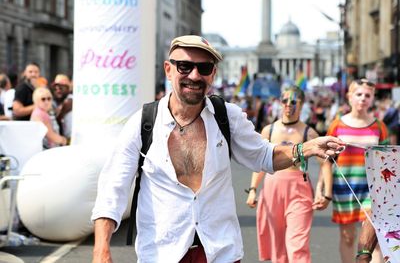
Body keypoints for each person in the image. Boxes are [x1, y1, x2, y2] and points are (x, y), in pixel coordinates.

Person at [91, 35, 345, 263]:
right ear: (168, 70)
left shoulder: (228, 117)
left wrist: (306, 148)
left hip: (218, 252)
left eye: (204, 68)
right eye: (184, 66)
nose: (194, 75)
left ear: (213, 74)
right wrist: (101, 249)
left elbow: (264, 155)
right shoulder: (143, 122)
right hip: (162, 252)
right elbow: (114, 185)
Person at [246, 86, 331, 263]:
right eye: (284, 101)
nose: (288, 105)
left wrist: (325, 192)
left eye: (294, 102)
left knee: (297, 244)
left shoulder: (309, 133)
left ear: (301, 105)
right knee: (278, 246)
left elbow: (325, 163)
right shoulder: (268, 130)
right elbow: (261, 162)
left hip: (298, 189)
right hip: (272, 189)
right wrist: (253, 189)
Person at [320, 78, 389, 263]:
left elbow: (386, 162)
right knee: (348, 237)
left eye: (367, 95)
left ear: (373, 98)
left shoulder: (379, 127)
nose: (363, 99)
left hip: (372, 190)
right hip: (344, 187)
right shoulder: (337, 125)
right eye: (358, 94)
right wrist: (323, 189)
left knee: (372, 240)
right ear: (349, 97)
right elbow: (326, 159)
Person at [50, 74, 73, 141]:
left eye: (61, 87)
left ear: (68, 87)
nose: (58, 90)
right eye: (55, 87)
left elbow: (58, 117)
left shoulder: (71, 99)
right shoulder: (52, 101)